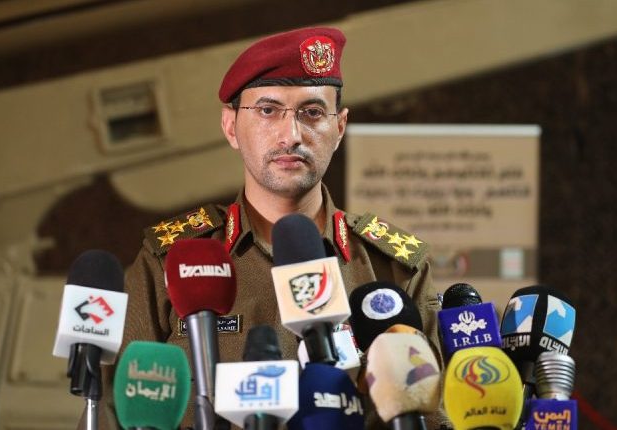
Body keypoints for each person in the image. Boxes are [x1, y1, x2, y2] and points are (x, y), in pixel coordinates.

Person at [84, 26, 448, 429]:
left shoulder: (393, 268)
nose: (291, 136)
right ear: (230, 127)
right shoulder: (172, 263)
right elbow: (113, 414)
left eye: (312, 112)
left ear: (340, 127)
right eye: (268, 111)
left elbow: (435, 414)